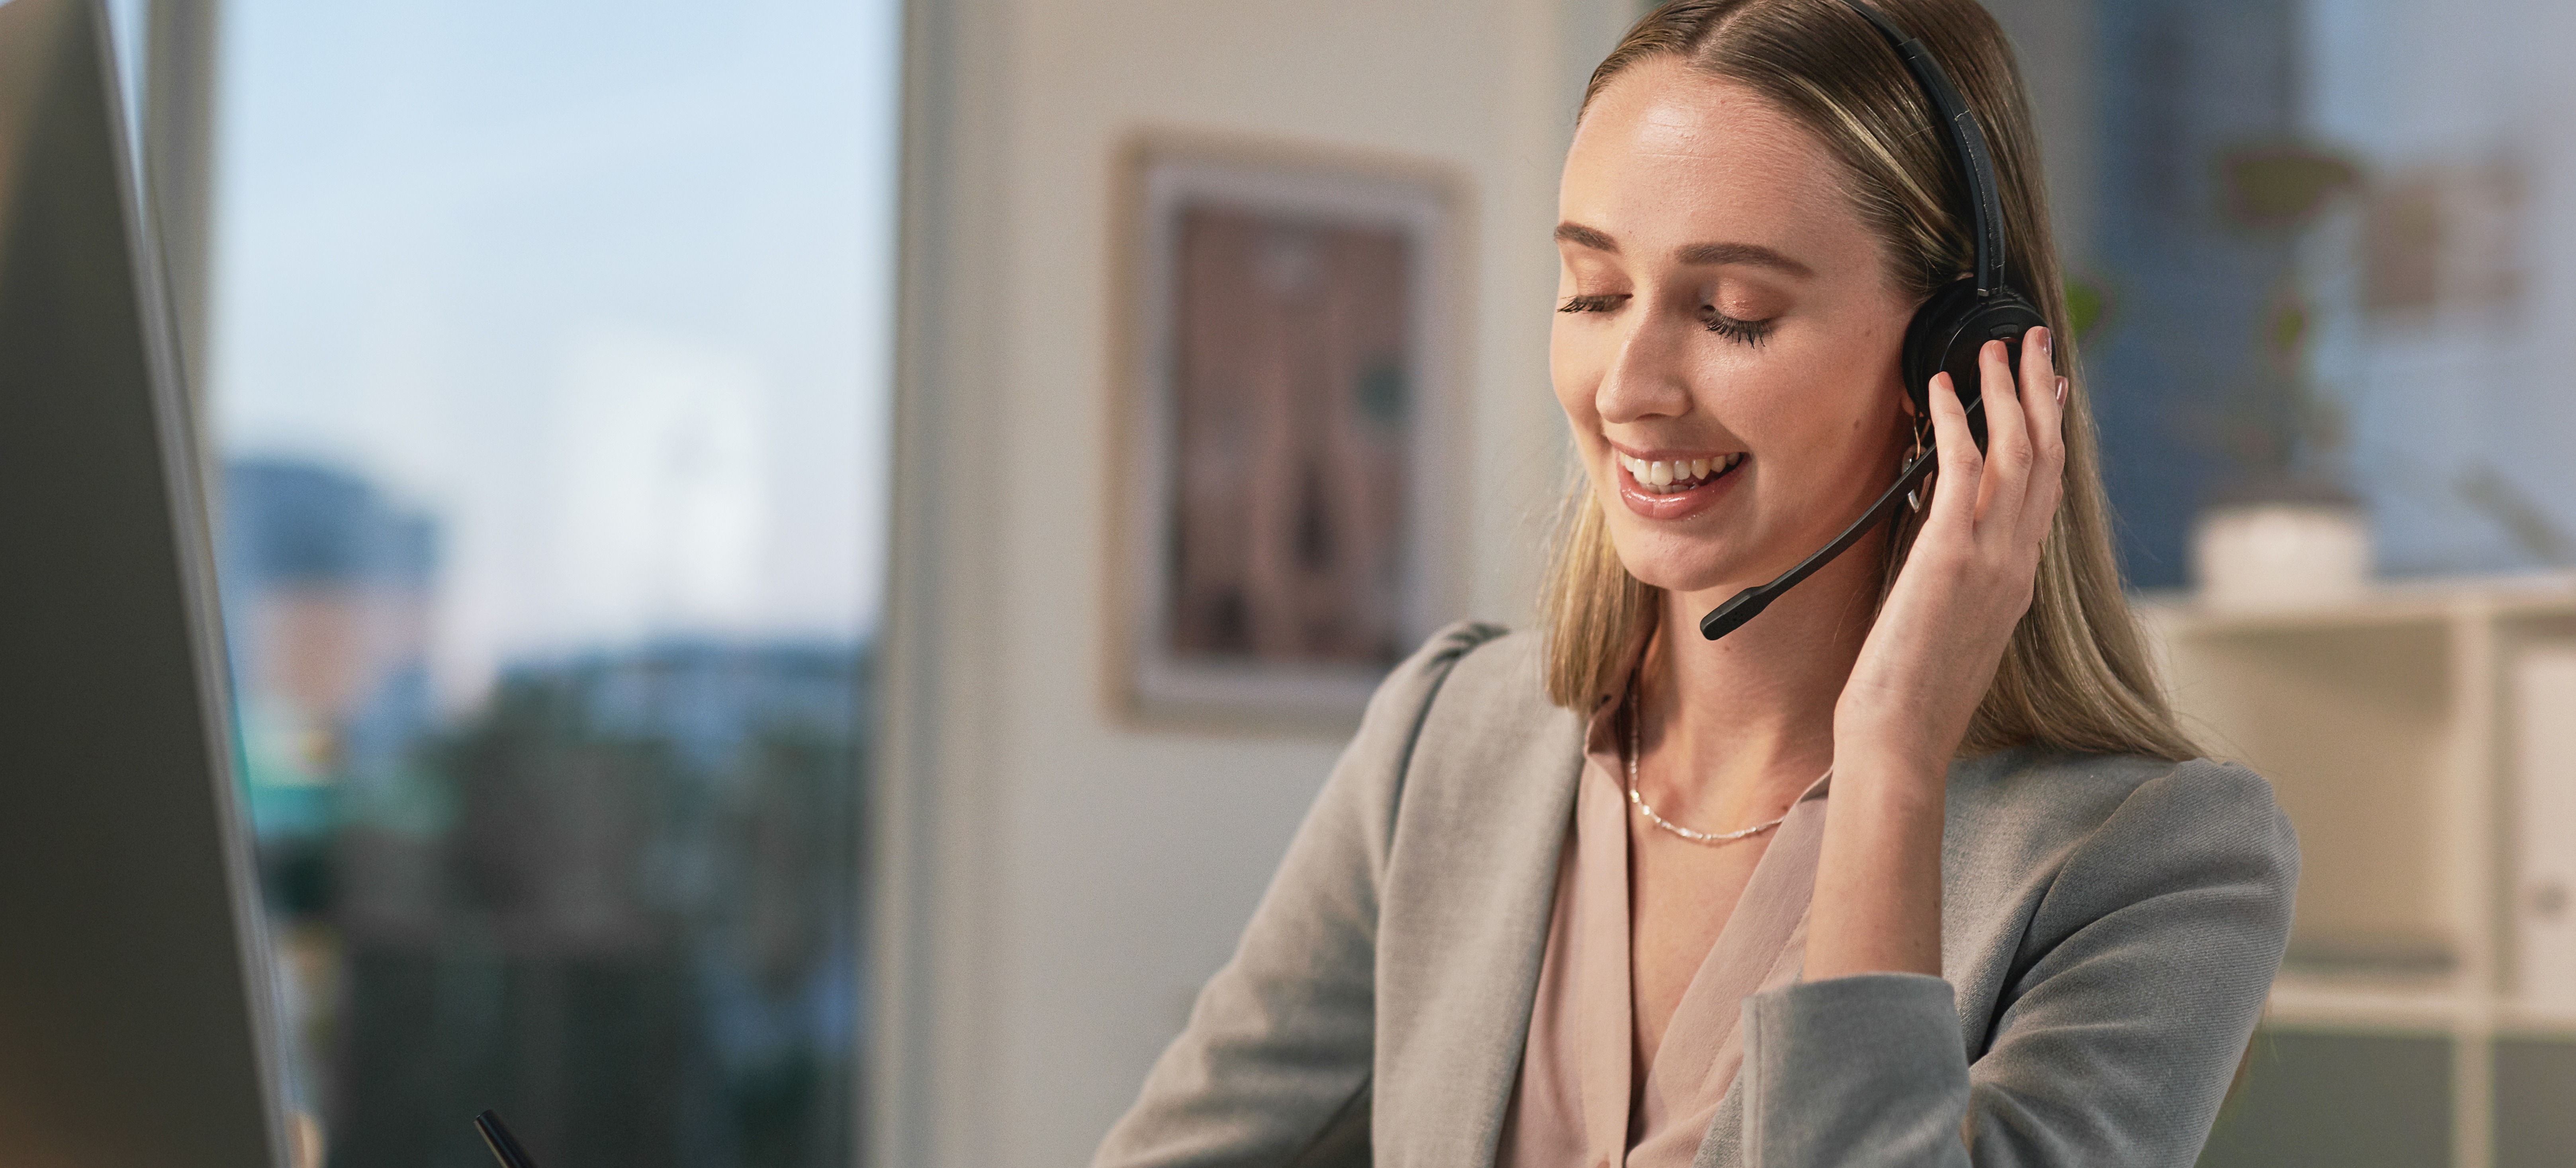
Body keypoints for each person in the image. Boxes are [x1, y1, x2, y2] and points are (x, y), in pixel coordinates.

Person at [1093, 0, 2297, 1164]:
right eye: (1594, 294)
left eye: (1730, 313)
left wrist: (1889, 761)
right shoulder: (1446, 740)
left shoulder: (2158, 865)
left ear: (1960, 362)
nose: (1628, 386)